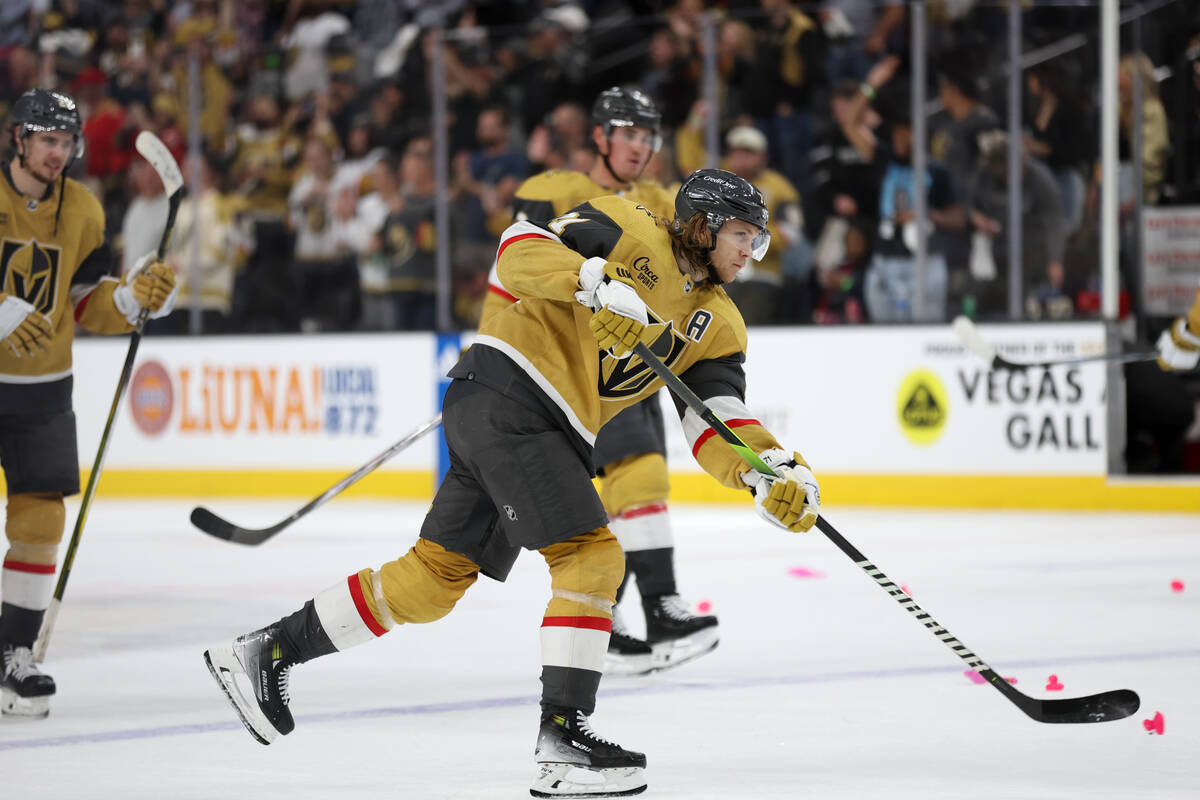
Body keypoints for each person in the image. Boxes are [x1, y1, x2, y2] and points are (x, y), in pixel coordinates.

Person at [204, 168, 820, 797]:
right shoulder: (628, 225)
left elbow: (715, 415)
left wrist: (764, 472)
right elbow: (518, 248)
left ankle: (267, 652)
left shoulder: (719, 325)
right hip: (513, 393)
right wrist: (592, 280)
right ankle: (563, 738)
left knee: (434, 580)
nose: (751, 253)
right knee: (591, 555)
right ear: (703, 224)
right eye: (743, 236)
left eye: (758, 242)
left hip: (523, 419)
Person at [482, 87, 718, 675]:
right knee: (611, 492)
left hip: (630, 366)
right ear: (599, 136)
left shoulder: (664, 200)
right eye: (629, 134)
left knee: (636, 481)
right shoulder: (551, 191)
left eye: (648, 136)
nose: (640, 147)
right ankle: (629, 616)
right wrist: (495, 350)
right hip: (563, 361)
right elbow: (513, 271)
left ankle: (634, 615)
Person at [0, 88, 177, 717]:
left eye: (66, 142)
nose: (59, 152)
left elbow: (81, 300)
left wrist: (129, 301)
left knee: (41, 522)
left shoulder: (82, 208)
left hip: (44, 388)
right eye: (47, 139)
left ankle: (14, 656)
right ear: (18, 137)